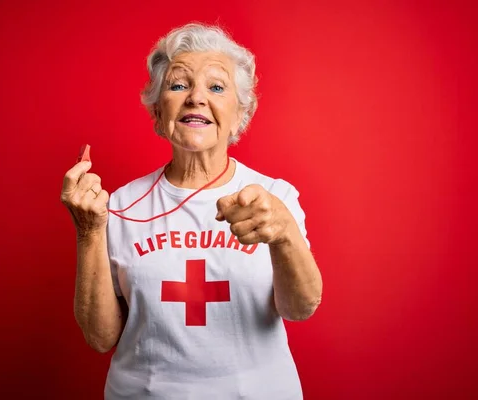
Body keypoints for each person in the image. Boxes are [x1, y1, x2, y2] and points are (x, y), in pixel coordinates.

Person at [60, 22, 323, 400]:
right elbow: (101, 338)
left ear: (240, 113)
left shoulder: (273, 198)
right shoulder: (117, 206)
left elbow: (301, 308)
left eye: (216, 87)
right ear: (157, 110)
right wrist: (89, 231)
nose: (196, 98)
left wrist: (283, 234)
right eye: (178, 84)